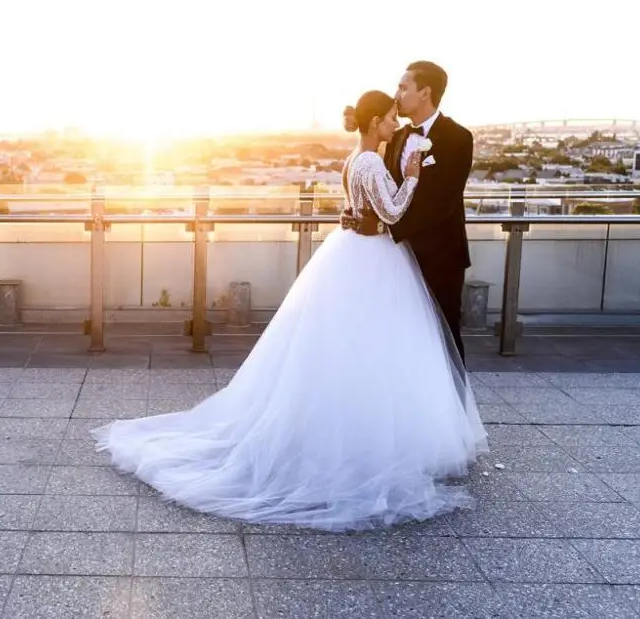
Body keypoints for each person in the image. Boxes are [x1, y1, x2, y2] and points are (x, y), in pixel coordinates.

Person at [92, 90, 488, 533]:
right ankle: (369, 440)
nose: (395, 124)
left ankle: (338, 430)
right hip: (374, 256)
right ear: (376, 121)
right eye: (391, 118)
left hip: (350, 252)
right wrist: (412, 176)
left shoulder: (352, 159)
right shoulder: (373, 162)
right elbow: (393, 212)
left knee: (341, 349)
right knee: (376, 350)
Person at [341, 61, 474, 363]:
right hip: (396, 258)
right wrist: (355, 216)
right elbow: (382, 190)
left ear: (425, 92)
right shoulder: (397, 137)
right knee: (402, 339)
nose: (397, 94)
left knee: (444, 335)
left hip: (440, 258)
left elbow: (443, 203)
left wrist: (382, 228)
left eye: (403, 87)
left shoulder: (458, 138)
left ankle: (453, 406)